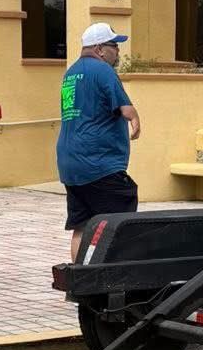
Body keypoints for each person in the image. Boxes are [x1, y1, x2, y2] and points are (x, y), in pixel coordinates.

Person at [57, 22, 141, 259]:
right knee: (117, 222)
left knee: (81, 226)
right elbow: (126, 110)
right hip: (98, 163)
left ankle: (78, 284)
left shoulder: (71, 73)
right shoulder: (103, 70)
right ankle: (110, 280)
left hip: (70, 163)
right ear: (100, 49)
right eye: (114, 46)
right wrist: (136, 122)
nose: (118, 52)